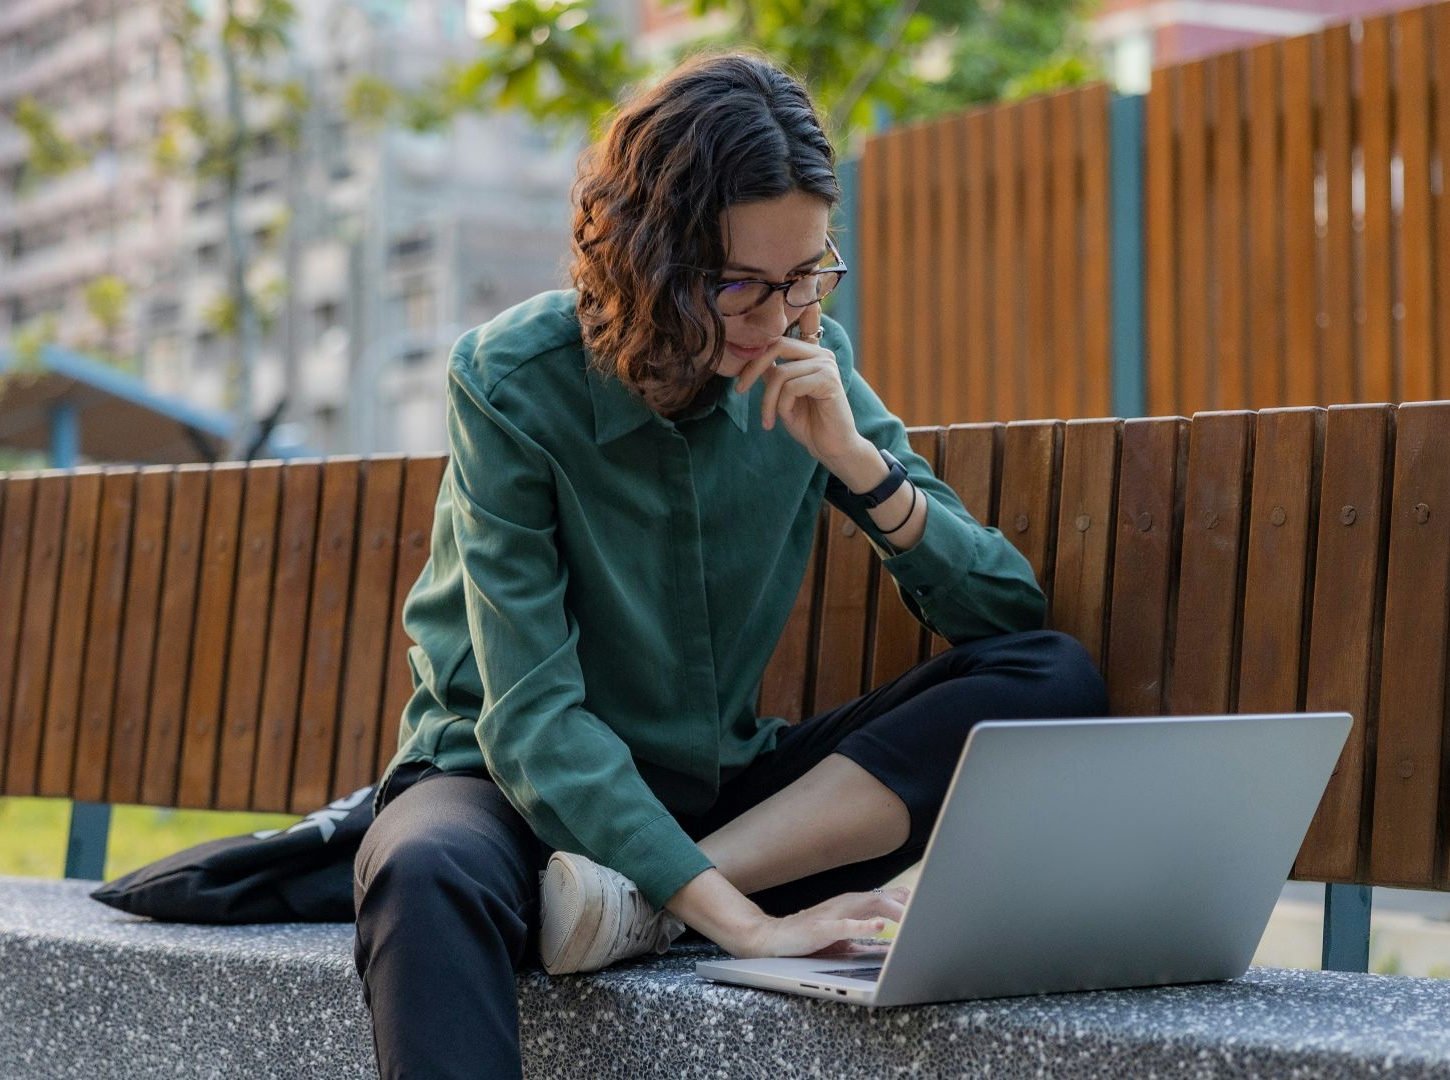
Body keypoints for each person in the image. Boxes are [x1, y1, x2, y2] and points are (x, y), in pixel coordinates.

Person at [350, 52, 1109, 1079]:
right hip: (509, 793)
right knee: (424, 871)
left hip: (724, 803)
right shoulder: (509, 381)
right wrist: (741, 926)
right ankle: (673, 897)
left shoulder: (806, 357)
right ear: (648, 261)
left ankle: (633, 907)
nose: (782, 317)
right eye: (744, 285)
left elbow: (1007, 617)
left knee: (1050, 679)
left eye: (808, 276)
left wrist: (855, 462)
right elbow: (528, 720)